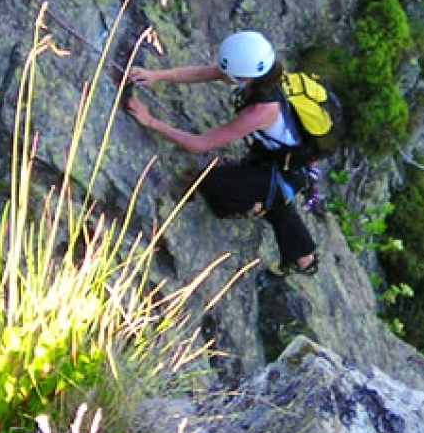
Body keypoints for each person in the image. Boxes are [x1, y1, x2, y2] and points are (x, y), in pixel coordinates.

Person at [126, 30, 319, 277]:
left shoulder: (262, 110)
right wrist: (156, 76)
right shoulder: (263, 73)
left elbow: (199, 144)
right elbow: (202, 73)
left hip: (285, 170)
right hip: (278, 160)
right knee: (272, 193)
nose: (224, 76)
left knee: (212, 183)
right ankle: (304, 257)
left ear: (246, 78)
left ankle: (261, 206)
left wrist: (150, 121)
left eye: (232, 75)